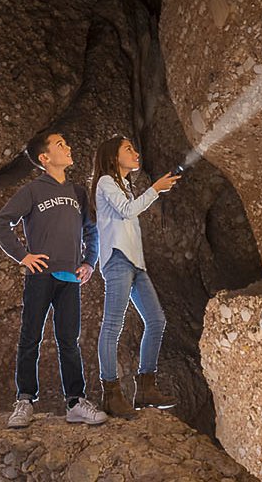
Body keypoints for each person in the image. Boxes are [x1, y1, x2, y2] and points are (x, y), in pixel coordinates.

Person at [0, 128, 108, 429]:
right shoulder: (33, 191)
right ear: (45, 157)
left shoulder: (78, 193)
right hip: (40, 276)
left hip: (70, 277)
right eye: (60, 144)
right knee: (30, 337)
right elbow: (1, 222)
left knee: (69, 340)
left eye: (66, 142)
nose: (68, 146)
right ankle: (25, 400)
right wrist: (23, 256)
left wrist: (89, 262)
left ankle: (75, 403)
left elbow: (91, 231)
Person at [90, 135, 181, 418]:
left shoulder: (125, 185)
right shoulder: (106, 181)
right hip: (118, 260)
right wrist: (155, 189)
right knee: (112, 326)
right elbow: (127, 211)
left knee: (156, 320)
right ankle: (111, 394)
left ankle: (145, 387)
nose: (136, 153)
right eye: (128, 149)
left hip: (135, 263)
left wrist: (153, 189)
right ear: (113, 156)